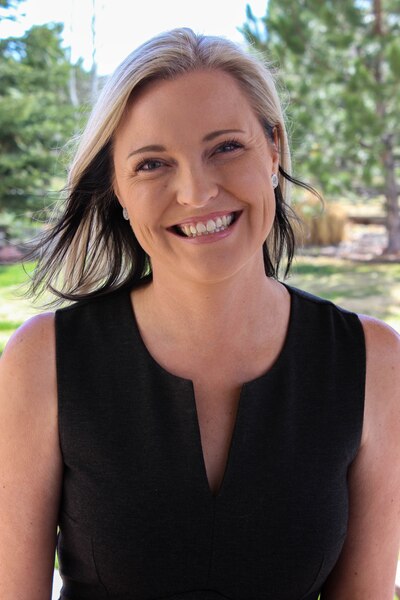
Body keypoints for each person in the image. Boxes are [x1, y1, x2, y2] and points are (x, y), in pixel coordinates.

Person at [0, 27, 399, 600]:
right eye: (152, 164)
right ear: (116, 186)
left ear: (274, 149)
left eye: (226, 147)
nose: (196, 191)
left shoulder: (374, 364)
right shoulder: (44, 361)